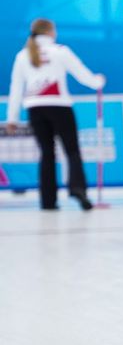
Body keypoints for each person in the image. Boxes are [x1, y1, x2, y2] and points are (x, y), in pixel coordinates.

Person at [5, 18, 105, 210]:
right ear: (50, 32)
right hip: (60, 106)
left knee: (47, 154)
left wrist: (12, 118)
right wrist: (97, 82)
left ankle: (48, 200)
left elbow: (16, 87)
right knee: (72, 151)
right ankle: (78, 189)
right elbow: (81, 73)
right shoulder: (60, 51)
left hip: (35, 109)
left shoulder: (23, 55)